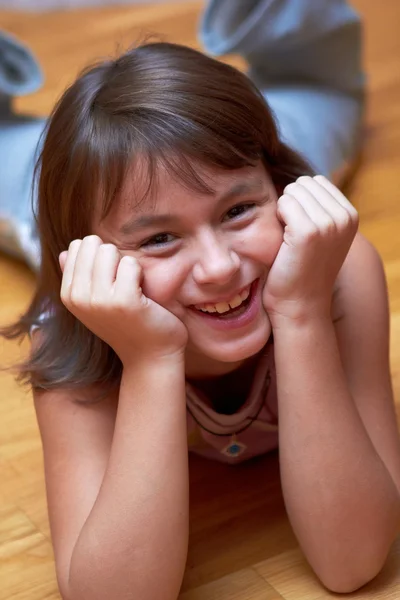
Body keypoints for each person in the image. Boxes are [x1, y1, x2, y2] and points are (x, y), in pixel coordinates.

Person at [2, 1, 400, 599]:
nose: (219, 268)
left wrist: (302, 313)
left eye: (240, 210)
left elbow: (353, 562)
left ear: (281, 193)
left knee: (318, 91)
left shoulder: (335, 272)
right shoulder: (72, 327)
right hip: (50, 202)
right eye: (159, 238)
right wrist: (150, 359)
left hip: (273, 143)